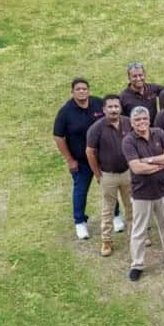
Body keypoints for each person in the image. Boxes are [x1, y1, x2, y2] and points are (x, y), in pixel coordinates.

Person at [121, 106, 164, 281]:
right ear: (131, 123)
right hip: (141, 193)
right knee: (139, 230)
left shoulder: (158, 133)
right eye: (137, 120)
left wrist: (150, 160)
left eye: (144, 119)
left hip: (162, 189)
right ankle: (137, 264)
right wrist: (161, 163)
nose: (141, 123)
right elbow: (136, 167)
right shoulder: (128, 141)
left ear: (149, 119)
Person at [54, 78, 105, 240]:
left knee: (108, 186)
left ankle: (116, 215)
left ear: (89, 90)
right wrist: (70, 160)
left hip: (102, 157)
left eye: (84, 89)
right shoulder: (65, 112)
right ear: (72, 92)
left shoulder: (99, 103)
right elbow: (58, 137)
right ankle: (80, 222)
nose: (82, 91)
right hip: (81, 161)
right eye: (78, 89)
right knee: (81, 191)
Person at [85, 95, 133, 256]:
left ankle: (136, 237)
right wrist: (98, 175)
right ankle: (106, 241)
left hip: (127, 173)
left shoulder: (128, 122)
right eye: (110, 107)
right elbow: (90, 152)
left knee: (131, 207)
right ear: (104, 109)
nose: (114, 110)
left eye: (116, 106)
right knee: (108, 210)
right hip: (108, 175)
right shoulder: (96, 128)